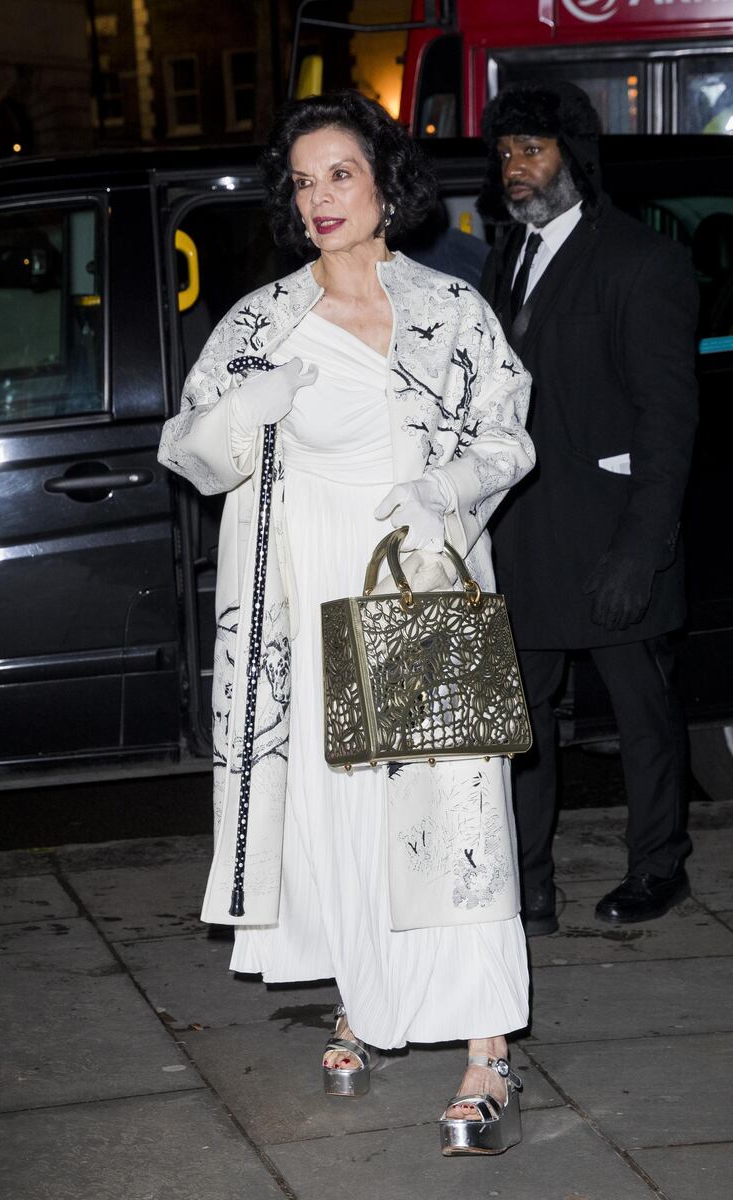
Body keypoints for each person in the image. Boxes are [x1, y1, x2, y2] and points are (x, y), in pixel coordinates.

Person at [159, 91, 535, 1155]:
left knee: (453, 829)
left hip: (412, 594)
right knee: (345, 827)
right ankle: (366, 1005)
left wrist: (447, 487)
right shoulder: (261, 320)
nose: (318, 197)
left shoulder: (446, 310)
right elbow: (191, 452)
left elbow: (510, 437)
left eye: (338, 173)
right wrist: (245, 409)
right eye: (301, 179)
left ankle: (485, 1052)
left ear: (383, 182)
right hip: (301, 605)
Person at [478, 81, 699, 936]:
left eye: (531, 150)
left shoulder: (642, 262)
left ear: (575, 158)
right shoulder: (507, 256)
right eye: (504, 153)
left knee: (641, 715)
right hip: (526, 539)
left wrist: (640, 551)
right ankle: (529, 887)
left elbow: (669, 420)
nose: (514, 169)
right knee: (522, 722)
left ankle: (658, 867)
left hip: (614, 538)